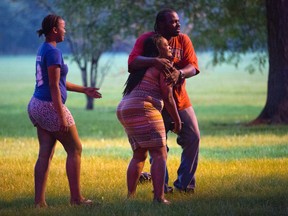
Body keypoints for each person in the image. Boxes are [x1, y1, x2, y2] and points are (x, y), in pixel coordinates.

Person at [27, 14, 102, 208]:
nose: (65, 31)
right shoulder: (54, 52)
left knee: (45, 152)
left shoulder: (44, 49)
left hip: (36, 104)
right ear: (54, 29)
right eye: (63, 27)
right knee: (75, 148)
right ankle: (76, 199)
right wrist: (61, 116)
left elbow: (59, 82)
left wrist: (84, 89)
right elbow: (53, 86)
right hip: (49, 106)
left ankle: (39, 202)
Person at [128, 8, 200, 193]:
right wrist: (154, 61)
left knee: (193, 137)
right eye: (173, 22)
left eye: (178, 21)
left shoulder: (183, 40)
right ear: (160, 24)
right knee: (158, 147)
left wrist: (180, 73)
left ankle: (185, 185)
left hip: (180, 100)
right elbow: (132, 63)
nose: (178, 24)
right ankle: (163, 188)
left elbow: (193, 66)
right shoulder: (147, 40)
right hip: (155, 103)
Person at [117, 34, 182, 204]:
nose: (170, 48)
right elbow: (168, 98)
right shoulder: (164, 66)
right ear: (156, 51)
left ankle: (130, 197)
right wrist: (177, 120)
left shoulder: (141, 67)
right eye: (166, 46)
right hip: (143, 108)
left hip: (125, 108)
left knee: (139, 154)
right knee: (159, 154)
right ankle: (159, 198)